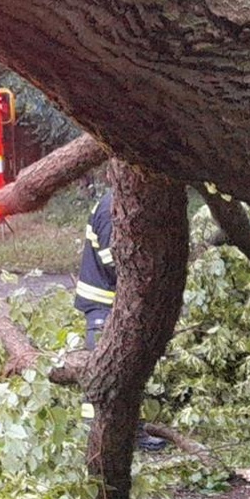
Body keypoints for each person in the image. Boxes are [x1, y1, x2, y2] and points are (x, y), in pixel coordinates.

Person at [74, 189, 166, 451]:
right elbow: (113, 260)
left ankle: (130, 434)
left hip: (115, 302)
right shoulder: (108, 209)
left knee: (129, 368)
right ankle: (97, 441)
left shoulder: (125, 203)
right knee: (106, 370)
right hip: (102, 304)